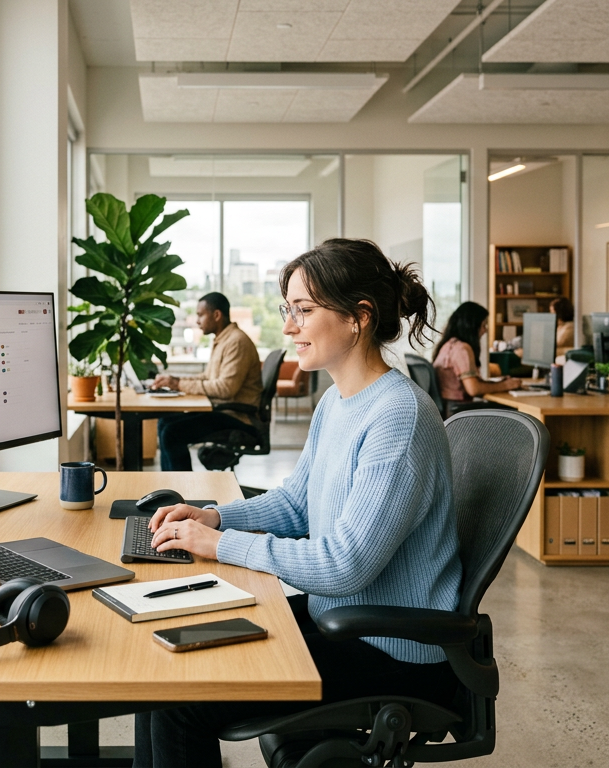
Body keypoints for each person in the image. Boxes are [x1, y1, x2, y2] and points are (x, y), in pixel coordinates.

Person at [135, 239, 462, 768]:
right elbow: (295, 505)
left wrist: (221, 545)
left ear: (360, 318)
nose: (287, 327)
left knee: (183, 703)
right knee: (163, 667)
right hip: (340, 620)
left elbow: (344, 564)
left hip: (393, 647)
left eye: (303, 311)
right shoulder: (337, 400)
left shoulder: (398, 418)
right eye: (289, 310)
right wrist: (214, 517)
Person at [151, 292, 262, 471]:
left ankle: (183, 492)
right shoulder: (223, 340)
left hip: (238, 417)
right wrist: (174, 380)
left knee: (173, 432)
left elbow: (225, 389)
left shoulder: (236, 342)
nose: (197, 321)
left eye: (200, 315)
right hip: (223, 410)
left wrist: (178, 384)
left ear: (216, 315)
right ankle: (170, 486)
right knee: (165, 422)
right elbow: (207, 377)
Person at [432, 301, 520, 403]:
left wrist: (498, 383)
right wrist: (507, 385)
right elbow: (473, 389)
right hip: (459, 410)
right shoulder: (461, 349)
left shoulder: (449, 345)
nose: (485, 330)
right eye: (483, 325)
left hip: (451, 409)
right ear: (471, 326)